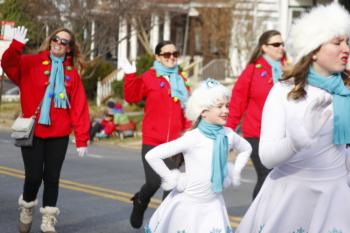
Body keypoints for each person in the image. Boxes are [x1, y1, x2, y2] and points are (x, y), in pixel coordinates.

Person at [236, 3, 350, 232]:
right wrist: (296, 141)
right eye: (337, 42)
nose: (345, 48)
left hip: (335, 196)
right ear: (314, 50)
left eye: (347, 42)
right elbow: (267, 158)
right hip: (291, 198)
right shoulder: (283, 91)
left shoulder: (345, 91)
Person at [1, 26, 90, 233]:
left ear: (69, 48)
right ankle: (27, 207)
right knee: (33, 177)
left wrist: (82, 137)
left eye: (64, 42)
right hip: (33, 132)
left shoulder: (72, 75)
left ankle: (48, 219)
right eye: (56, 39)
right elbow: (8, 64)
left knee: (52, 177)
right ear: (51, 41)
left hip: (58, 135)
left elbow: (79, 107)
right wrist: (16, 46)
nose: (59, 43)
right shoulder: (31, 62)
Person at [143, 79, 252, 233]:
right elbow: (152, 155)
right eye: (219, 106)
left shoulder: (229, 135)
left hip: (214, 205)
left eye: (227, 106)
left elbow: (246, 149)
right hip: (188, 205)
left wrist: (235, 172)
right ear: (203, 111)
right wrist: (173, 178)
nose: (226, 110)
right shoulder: (193, 138)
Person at [120, 41, 191, 229]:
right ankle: (140, 201)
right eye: (166, 54)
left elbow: (188, 111)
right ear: (158, 57)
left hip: (176, 143)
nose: (172, 57)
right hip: (153, 141)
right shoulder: (150, 77)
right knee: (153, 183)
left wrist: (189, 135)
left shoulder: (182, 80)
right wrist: (129, 75)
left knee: (172, 183)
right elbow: (132, 96)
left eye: (175, 53)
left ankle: (163, 224)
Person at [226, 29, 286, 199]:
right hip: (256, 134)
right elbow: (237, 103)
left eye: (282, 44)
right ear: (264, 47)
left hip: (282, 135)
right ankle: (257, 220)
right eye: (276, 44)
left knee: (280, 179)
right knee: (266, 175)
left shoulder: (287, 71)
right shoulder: (252, 71)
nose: (280, 47)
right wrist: (227, 132)